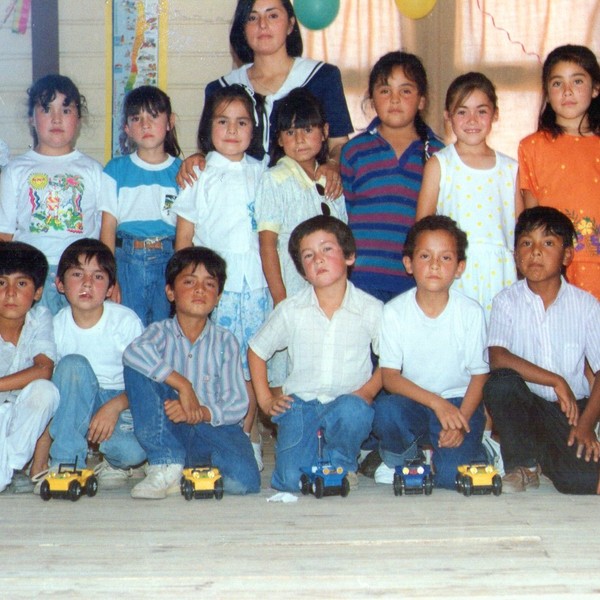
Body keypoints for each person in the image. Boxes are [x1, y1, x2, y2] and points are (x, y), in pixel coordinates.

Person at [248, 215, 383, 492]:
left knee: (354, 412)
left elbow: (391, 360)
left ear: (349, 257)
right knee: (289, 482)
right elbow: (256, 350)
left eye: (327, 249)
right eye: (308, 256)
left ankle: (342, 463)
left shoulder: (371, 308)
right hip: (300, 405)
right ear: (302, 271)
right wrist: (264, 399)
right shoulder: (291, 309)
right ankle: (318, 460)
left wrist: (367, 392)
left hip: (346, 404)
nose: (318, 259)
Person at [173, 84, 269, 469]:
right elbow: (184, 237)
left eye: (242, 122)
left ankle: (248, 436)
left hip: (257, 285)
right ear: (208, 127)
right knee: (219, 366)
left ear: (254, 129)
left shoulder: (263, 172)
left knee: (251, 363)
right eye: (223, 121)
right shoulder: (200, 172)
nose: (232, 130)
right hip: (217, 290)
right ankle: (219, 435)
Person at [123, 247, 260, 499]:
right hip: (169, 427)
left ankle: (186, 470)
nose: (200, 290)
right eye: (189, 281)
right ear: (170, 292)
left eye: (209, 284)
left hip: (211, 428)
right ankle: (166, 461)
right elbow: (133, 352)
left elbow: (238, 403)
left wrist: (200, 412)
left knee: (244, 482)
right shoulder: (159, 332)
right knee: (138, 365)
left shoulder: (225, 341)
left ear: (218, 297)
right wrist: (183, 386)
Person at [176, 0, 352, 197]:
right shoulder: (221, 89)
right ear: (242, 28)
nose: (262, 24)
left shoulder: (322, 77)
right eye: (252, 17)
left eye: (273, 15)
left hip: (304, 201)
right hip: (241, 204)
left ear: (291, 24)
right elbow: (212, 148)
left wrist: (333, 165)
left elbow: (339, 144)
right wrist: (198, 158)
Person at [483, 206, 600, 495]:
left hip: (571, 411)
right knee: (500, 383)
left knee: (581, 481)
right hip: (528, 406)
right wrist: (555, 380)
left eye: (548, 243)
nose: (535, 252)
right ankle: (524, 465)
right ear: (515, 255)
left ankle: (547, 457)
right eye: (526, 243)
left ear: (567, 255)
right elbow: (498, 357)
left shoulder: (587, 306)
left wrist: (585, 426)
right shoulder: (506, 301)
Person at [372, 215, 488, 489]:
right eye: (425, 256)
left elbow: (480, 376)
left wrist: (459, 422)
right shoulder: (393, 311)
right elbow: (389, 377)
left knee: (450, 478)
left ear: (460, 267)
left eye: (446, 258)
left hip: (460, 404)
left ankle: (480, 452)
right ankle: (405, 458)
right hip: (417, 403)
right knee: (385, 410)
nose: (435, 265)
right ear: (409, 263)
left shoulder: (470, 312)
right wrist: (437, 403)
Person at [341, 51, 444, 303]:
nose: (395, 99)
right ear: (372, 99)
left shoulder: (439, 154)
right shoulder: (354, 151)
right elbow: (343, 214)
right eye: (385, 91)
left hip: (414, 283)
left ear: (421, 100)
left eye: (406, 91)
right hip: (361, 280)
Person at [417, 72, 521, 320]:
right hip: (455, 271)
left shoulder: (510, 168)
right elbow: (423, 226)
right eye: (462, 111)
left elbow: (520, 229)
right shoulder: (440, 164)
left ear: (495, 114)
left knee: (498, 347)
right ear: (448, 116)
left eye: (481, 111)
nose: (472, 119)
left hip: (501, 273)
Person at [47, 239, 146, 490]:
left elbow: (146, 380)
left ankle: (111, 460)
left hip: (120, 399)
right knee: (72, 365)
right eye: (77, 274)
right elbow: (53, 385)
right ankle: (66, 463)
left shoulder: (125, 321)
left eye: (98, 276)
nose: (87, 284)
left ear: (111, 287)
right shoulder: (56, 326)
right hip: (74, 397)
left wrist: (114, 407)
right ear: (59, 284)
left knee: (133, 453)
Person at [0, 74, 102, 314]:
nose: (57, 118)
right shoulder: (16, 170)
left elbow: (102, 231)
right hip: (31, 274)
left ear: (78, 118)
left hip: (80, 276)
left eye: (66, 110)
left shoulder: (93, 170)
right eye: (47, 110)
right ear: (31, 119)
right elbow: (5, 234)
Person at [518, 44, 600, 299]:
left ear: (595, 88)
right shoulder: (532, 146)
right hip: (555, 271)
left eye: (577, 81)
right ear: (547, 93)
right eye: (557, 83)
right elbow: (532, 219)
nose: (567, 91)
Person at [99, 85, 182, 326]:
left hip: (168, 259)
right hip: (126, 261)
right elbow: (107, 229)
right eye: (136, 118)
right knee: (128, 329)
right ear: (126, 128)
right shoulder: (115, 170)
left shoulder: (181, 172)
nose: (145, 125)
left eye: (153, 116)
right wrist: (110, 277)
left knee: (163, 330)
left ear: (170, 122)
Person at [256, 88, 348, 306]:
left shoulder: (331, 179)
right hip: (293, 292)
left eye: (307, 129)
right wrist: (280, 300)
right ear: (279, 139)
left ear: (325, 132)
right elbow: (267, 244)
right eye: (290, 132)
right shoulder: (275, 179)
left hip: (331, 292)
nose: (299, 139)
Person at [0, 242, 59, 493]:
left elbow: (44, 368)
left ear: (37, 292)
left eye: (21, 284)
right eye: (1, 283)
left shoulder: (40, 317)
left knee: (46, 391)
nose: (10, 293)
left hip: (18, 415)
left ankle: (8, 467)